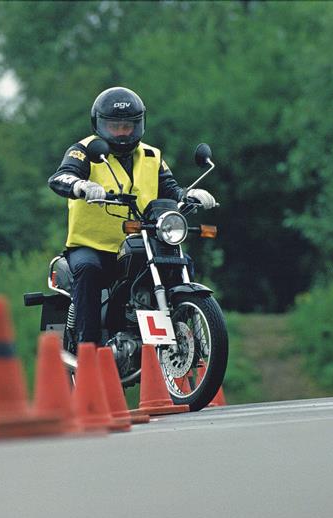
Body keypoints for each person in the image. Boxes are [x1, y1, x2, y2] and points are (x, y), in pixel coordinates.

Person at [47, 86, 217, 346]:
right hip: (93, 246)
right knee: (87, 269)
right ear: (99, 124)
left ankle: (188, 335)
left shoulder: (152, 156)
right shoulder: (84, 151)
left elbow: (170, 189)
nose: (122, 132)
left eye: (128, 125)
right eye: (114, 126)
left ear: (140, 124)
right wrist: (80, 186)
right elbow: (60, 177)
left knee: (182, 261)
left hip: (140, 243)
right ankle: (86, 347)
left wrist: (189, 195)